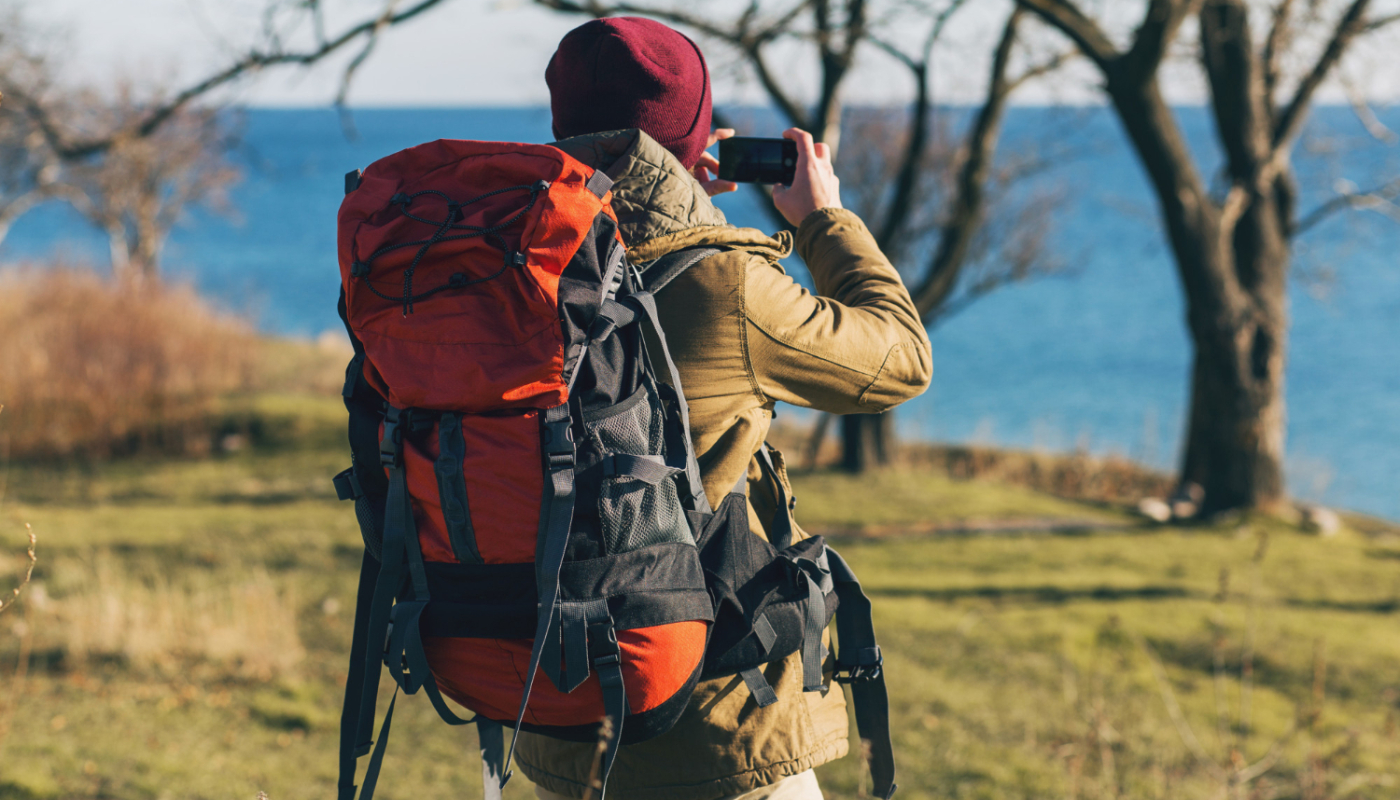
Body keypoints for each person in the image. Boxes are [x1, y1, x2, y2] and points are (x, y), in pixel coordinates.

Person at [517, 16, 932, 800]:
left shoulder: (516, 270)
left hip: (556, 717)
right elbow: (900, 359)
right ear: (693, 140)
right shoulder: (725, 285)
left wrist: (666, 199)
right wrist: (821, 219)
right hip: (717, 727)